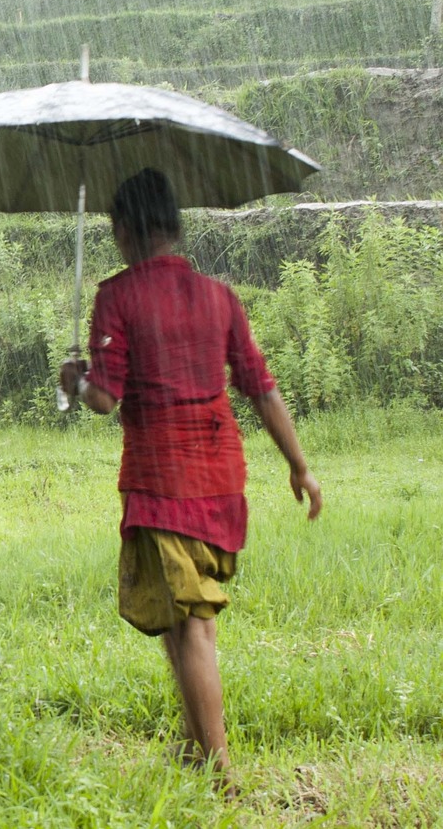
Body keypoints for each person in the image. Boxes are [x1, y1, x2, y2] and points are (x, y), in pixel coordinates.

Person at [58, 169, 322, 790]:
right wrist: (300, 465)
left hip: (160, 482)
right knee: (181, 618)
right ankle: (194, 745)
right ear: (174, 226)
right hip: (222, 478)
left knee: (193, 624)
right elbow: (261, 388)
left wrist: (75, 379)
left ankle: (221, 770)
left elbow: (105, 399)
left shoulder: (117, 296)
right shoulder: (220, 296)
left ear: (123, 231)